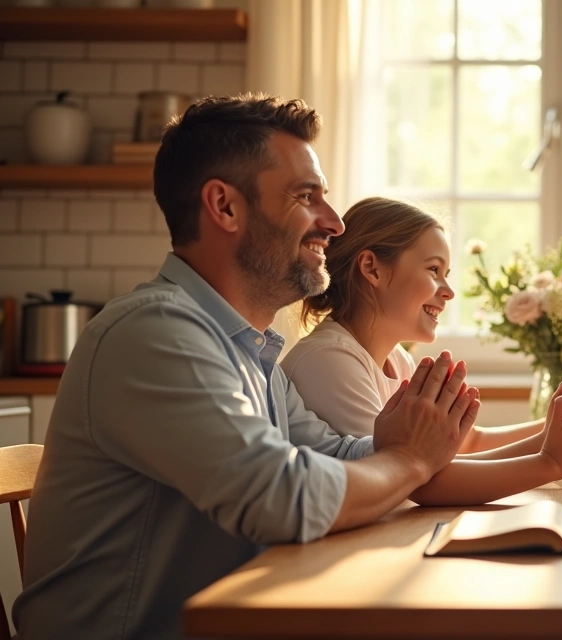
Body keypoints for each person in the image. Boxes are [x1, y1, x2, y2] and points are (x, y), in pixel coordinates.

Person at [14, 94, 487, 640]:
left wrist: (406, 441)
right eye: (306, 197)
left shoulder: (249, 349)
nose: (334, 223)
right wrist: (409, 458)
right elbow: (282, 498)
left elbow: (329, 455)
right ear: (225, 207)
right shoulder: (155, 332)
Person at [281, 196, 562, 504]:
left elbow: (463, 445)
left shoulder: (396, 359)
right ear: (372, 269)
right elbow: (412, 477)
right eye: (433, 270)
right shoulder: (329, 360)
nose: (449, 292)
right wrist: (551, 461)